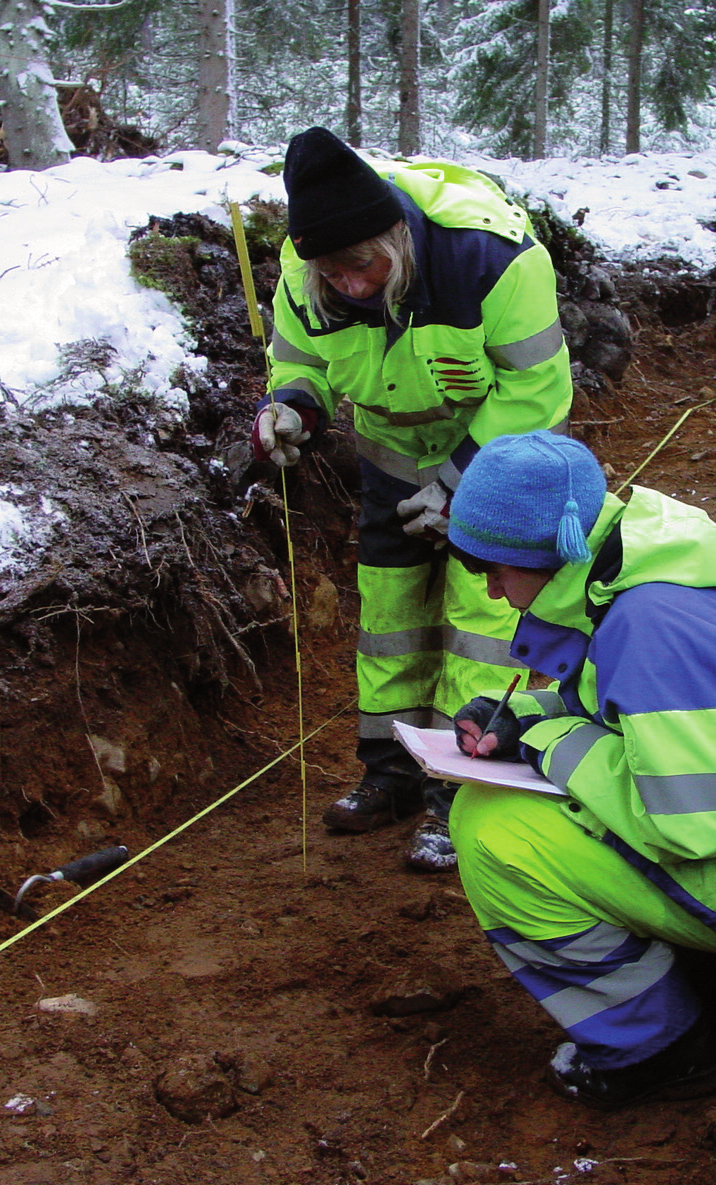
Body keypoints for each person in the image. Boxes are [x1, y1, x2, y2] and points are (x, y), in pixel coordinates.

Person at [442, 430, 716, 1109]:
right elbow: (632, 710)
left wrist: (547, 742)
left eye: (496, 567)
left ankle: (657, 1048)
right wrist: (528, 715)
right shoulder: (635, 565)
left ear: (555, 550)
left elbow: (694, 825)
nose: (491, 590)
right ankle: (704, 974)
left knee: (496, 836)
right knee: (516, 812)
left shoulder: (652, 624)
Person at [253, 127, 572, 872]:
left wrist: (463, 484)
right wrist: (293, 408)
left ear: (397, 235)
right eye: (332, 270)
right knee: (392, 619)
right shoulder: (307, 276)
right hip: (391, 462)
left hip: (495, 464)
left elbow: (538, 390)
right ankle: (391, 773)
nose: (351, 283)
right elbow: (299, 361)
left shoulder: (491, 258)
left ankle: (459, 793)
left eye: (362, 264)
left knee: (484, 622)